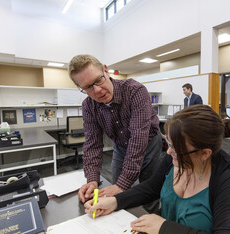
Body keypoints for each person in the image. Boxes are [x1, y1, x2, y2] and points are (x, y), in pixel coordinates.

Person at [85, 105, 230, 233]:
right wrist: (115, 201)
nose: (168, 152)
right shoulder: (177, 156)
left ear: (205, 153)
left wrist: (164, 227)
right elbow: (152, 187)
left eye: (175, 148)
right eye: (169, 144)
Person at [68, 54, 162, 203]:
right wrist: (92, 180)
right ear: (81, 88)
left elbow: (138, 139)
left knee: (149, 189)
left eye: (98, 80)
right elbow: (93, 144)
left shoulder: (135, 91)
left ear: (106, 70)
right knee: (117, 193)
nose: (97, 90)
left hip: (149, 143)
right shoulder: (88, 106)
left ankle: (150, 218)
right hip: (120, 146)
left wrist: (123, 185)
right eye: (88, 87)